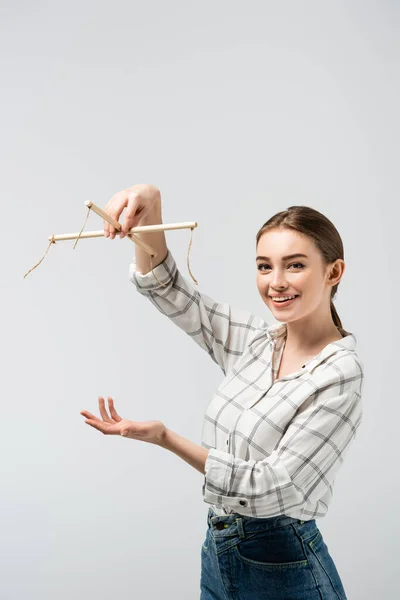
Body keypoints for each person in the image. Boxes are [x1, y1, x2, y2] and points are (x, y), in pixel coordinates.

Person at [91, 183, 364, 599]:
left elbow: (275, 486)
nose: (275, 282)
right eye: (263, 266)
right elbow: (172, 293)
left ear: (333, 272)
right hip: (219, 552)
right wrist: (151, 207)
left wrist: (166, 438)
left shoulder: (340, 373)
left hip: (283, 563)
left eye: (294, 266)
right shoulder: (257, 341)